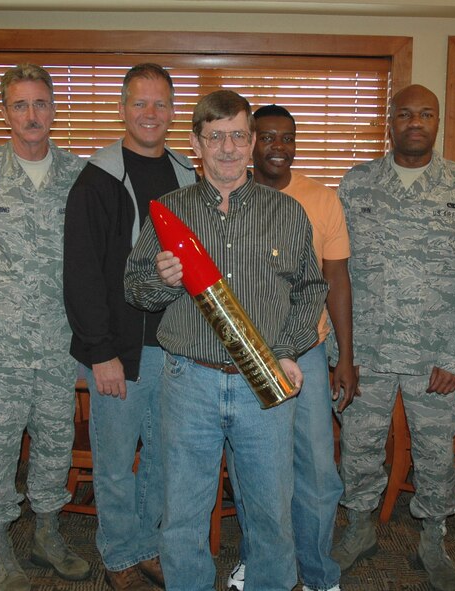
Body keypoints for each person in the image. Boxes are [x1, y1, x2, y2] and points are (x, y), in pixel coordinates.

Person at [125, 90, 327, 591]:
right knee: (183, 515)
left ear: (252, 141)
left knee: (270, 516)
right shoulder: (167, 213)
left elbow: (310, 291)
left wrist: (287, 351)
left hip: (265, 381)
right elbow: (135, 289)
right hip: (188, 381)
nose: (229, 148)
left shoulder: (288, 212)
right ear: (197, 143)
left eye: (239, 135)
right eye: (216, 137)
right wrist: (161, 278)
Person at [333, 84, 455, 591]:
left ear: (438, 120)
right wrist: (343, 354)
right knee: (359, 445)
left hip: (435, 357)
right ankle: (359, 528)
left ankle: (432, 537)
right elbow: (335, 271)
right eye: (404, 113)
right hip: (367, 351)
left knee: (436, 452)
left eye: (426, 113)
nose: (415, 122)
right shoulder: (357, 184)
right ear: (390, 121)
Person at [0, 64, 90, 591]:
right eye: (20, 105)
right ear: (5, 112)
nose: (32, 115)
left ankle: (48, 533)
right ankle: (0, 539)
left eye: (41, 103)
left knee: (55, 438)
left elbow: (92, 254)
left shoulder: (78, 175)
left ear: (54, 109)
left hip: (57, 339)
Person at [64, 63, 195, 591]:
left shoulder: (189, 175)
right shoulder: (96, 179)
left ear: (172, 111)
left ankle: (149, 545)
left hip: (177, 349)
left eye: (160, 104)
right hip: (119, 350)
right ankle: (119, 554)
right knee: (116, 462)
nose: (150, 114)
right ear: (122, 109)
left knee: (165, 460)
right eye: (139, 103)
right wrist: (101, 352)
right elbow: (82, 274)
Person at [225, 104, 355, 591]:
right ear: (252, 142)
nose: (278, 147)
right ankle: (258, 564)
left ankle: (319, 572)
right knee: (255, 470)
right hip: (249, 357)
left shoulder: (321, 200)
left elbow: (336, 279)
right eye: (268, 137)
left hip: (308, 351)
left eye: (288, 138)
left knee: (318, 468)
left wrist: (345, 355)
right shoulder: (231, 197)